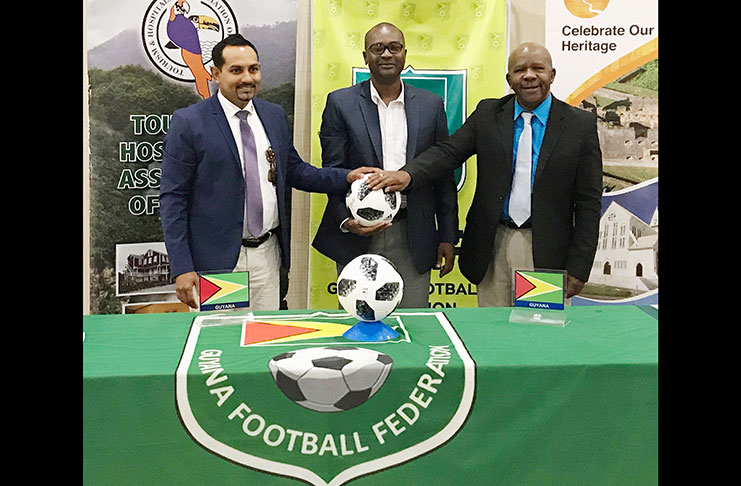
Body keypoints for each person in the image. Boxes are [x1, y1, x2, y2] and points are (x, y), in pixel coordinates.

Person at [367, 42, 602, 306]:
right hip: (492, 246)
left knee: (539, 335)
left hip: (546, 251)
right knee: (492, 333)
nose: (529, 75)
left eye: (538, 68)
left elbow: (588, 204)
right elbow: (448, 152)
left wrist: (580, 267)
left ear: (552, 75)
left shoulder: (579, 126)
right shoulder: (488, 114)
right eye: (519, 70)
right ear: (509, 79)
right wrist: (408, 175)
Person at [160, 33, 379, 310]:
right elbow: (173, 199)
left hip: (269, 256)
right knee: (220, 343)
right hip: (220, 262)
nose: (247, 78)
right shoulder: (190, 123)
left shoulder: (273, 115)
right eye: (236, 70)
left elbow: (296, 171)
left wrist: (346, 177)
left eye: (253, 69)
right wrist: (182, 267)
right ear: (215, 73)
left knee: (265, 338)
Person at [311, 22, 459, 308]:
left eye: (394, 47)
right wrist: (346, 221)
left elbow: (443, 174)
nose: (387, 54)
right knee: (361, 319)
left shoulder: (431, 104)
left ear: (405, 54)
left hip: (413, 234)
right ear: (365, 56)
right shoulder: (341, 103)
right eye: (378, 48)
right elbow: (333, 171)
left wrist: (448, 236)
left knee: (412, 324)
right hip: (360, 233)